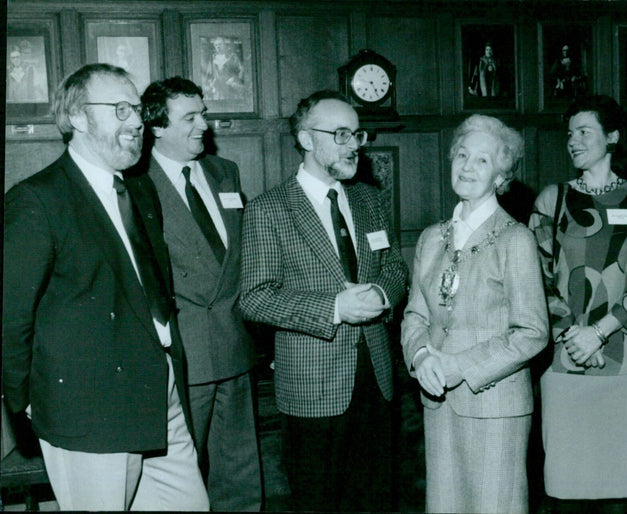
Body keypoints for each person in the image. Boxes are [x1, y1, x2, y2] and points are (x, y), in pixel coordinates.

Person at [2, 63, 209, 511]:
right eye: (119, 110)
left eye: (135, 109)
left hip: (162, 395)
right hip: (89, 410)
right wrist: (30, 404)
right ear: (77, 117)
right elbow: (9, 316)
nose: (136, 121)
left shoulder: (139, 189)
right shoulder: (36, 200)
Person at [239, 90, 408, 511]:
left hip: (378, 379)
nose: (354, 144)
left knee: (375, 499)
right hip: (313, 387)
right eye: (341, 134)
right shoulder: (270, 209)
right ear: (306, 139)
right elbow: (255, 298)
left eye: (357, 134)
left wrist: (383, 294)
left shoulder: (368, 198)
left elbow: (394, 267)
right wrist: (334, 308)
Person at [401, 114, 549, 513]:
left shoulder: (515, 239)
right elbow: (414, 314)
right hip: (438, 403)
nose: (467, 166)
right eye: (462, 155)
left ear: (501, 175)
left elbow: (532, 331)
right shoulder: (431, 238)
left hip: (494, 405)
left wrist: (458, 366)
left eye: (482, 161)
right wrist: (420, 357)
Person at [529, 95, 627, 513]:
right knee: (570, 492)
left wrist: (599, 332)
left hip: (626, 361)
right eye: (570, 133)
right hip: (567, 360)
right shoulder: (550, 201)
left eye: (584, 131)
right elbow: (537, 276)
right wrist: (571, 334)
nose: (573, 140)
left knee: (625, 495)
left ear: (612, 136)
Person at [140, 76, 263, 511]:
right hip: (183, 353)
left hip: (235, 343)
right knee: (179, 479)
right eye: (190, 117)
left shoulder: (224, 172)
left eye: (203, 113)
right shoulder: (136, 184)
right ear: (156, 127)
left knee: (240, 473)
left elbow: (243, 251)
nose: (203, 125)